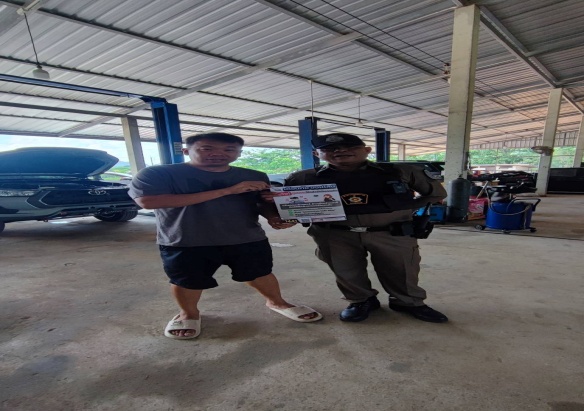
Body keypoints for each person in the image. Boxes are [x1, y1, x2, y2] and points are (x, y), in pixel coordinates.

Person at [128, 132, 322, 340]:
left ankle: (277, 302)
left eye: (229, 149)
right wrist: (228, 190)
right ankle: (188, 313)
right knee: (187, 280)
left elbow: (258, 203)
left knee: (260, 273)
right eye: (207, 148)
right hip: (186, 239)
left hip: (246, 236)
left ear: (239, 153)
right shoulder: (158, 174)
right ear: (186, 151)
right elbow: (148, 202)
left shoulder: (254, 175)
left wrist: (273, 216)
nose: (218, 154)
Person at [275, 133, 448, 323]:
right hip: (335, 234)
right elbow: (289, 205)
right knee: (345, 270)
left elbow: (435, 194)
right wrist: (285, 218)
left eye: (350, 147)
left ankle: (408, 302)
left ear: (367, 150)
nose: (340, 151)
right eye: (330, 149)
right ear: (317, 154)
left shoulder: (401, 171)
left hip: (391, 232)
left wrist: (404, 207)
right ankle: (361, 301)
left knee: (402, 269)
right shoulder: (302, 178)